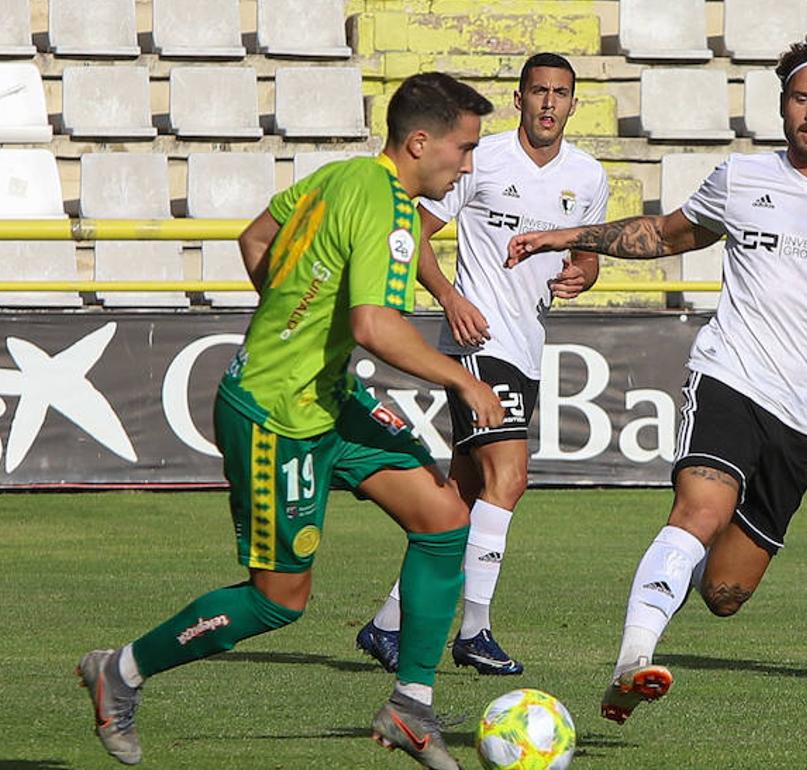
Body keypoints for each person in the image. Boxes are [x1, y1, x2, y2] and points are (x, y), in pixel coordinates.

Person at [77, 72, 503, 770]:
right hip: (277, 417)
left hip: (326, 397)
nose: (468, 163)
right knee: (279, 602)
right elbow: (374, 325)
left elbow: (256, 237)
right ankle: (119, 672)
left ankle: (410, 706)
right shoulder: (390, 210)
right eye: (464, 147)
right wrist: (460, 377)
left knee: (444, 518)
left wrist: (290, 320)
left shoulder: (341, 177)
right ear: (420, 142)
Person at [507, 34, 807, 723]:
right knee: (697, 513)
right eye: (801, 98)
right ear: (782, 104)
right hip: (730, 374)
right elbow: (664, 235)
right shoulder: (740, 179)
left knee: (727, 592)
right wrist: (572, 236)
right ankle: (632, 658)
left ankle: (675, 577)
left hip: (803, 416)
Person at [355, 52, 608, 677]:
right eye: (538, 91)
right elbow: (413, 225)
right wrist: (449, 296)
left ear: (574, 104)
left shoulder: (589, 176)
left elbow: (591, 254)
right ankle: (475, 630)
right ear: (519, 99)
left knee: (462, 498)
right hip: (480, 342)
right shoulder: (482, 158)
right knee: (510, 478)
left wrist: (582, 273)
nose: (549, 102)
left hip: (528, 345)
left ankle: (388, 623)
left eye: (561, 93)